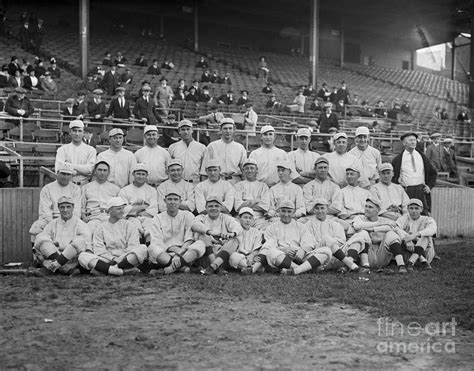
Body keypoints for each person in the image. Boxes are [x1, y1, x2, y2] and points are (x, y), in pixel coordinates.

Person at [78, 197, 148, 276]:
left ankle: (107, 269)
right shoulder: (101, 227)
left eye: (123, 208)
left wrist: (120, 258)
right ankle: (121, 272)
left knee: (143, 249)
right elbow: (99, 249)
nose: (122, 211)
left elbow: (133, 246)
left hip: (125, 257)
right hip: (107, 258)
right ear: (110, 211)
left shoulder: (130, 225)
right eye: (118, 209)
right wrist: (113, 258)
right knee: (83, 256)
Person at [259, 200, 331, 276]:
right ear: (279, 212)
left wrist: (302, 250)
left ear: (293, 213)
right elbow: (270, 245)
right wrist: (283, 250)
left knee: (326, 251)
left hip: (300, 256)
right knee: (271, 252)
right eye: (283, 211)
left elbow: (308, 242)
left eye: (289, 211)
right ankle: (302, 269)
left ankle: (296, 270)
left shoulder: (301, 226)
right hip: (282, 256)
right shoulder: (271, 227)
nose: (286, 214)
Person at [33, 196, 90, 277]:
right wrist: (43, 261)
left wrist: (73, 264)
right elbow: (41, 245)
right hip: (53, 256)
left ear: (73, 208)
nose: (65, 210)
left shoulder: (81, 224)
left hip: (72, 259)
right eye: (62, 207)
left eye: (68, 207)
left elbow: (86, 247)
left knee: (79, 242)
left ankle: (53, 269)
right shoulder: (52, 223)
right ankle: (65, 269)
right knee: (41, 238)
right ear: (58, 208)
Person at [349, 196, 407, 274]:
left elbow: (395, 229)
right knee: (363, 233)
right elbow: (357, 226)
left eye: (370, 207)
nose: (366, 209)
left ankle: (401, 265)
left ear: (378, 210)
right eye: (366, 206)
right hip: (366, 253)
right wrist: (378, 224)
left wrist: (374, 228)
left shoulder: (385, 220)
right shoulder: (360, 217)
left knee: (391, 234)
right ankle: (365, 266)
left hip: (382, 254)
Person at [147, 191, 201, 275]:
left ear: (180, 201)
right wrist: (171, 249)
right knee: (152, 248)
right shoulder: (157, 218)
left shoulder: (188, 215)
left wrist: (180, 253)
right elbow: (156, 241)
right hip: (165, 253)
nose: (172, 202)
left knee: (200, 244)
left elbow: (190, 238)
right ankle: (182, 267)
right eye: (169, 199)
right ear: (165, 201)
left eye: (175, 199)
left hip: (184, 252)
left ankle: (167, 270)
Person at [305, 198, 362, 274]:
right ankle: (349, 264)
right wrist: (326, 243)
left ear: (327, 210)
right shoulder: (308, 225)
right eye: (317, 208)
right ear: (314, 210)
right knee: (326, 239)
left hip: (337, 256)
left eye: (322, 208)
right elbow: (311, 244)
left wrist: (331, 244)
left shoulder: (336, 224)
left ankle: (346, 264)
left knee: (357, 240)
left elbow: (342, 241)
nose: (320, 211)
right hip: (321, 255)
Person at [29, 163, 82, 242]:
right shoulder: (47, 188)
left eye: (68, 174)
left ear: (71, 176)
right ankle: (36, 253)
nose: (65, 177)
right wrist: (54, 224)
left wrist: (67, 222)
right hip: (51, 219)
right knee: (35, 228)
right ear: (57, 173)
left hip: (70, 219)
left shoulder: (76, 189)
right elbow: (45, 211)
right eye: (63, 174)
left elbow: (77, 211)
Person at [192, 195, 243, 275]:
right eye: (210, 206)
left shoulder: (226, 218)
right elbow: (195, 225)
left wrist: (231, 234)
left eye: (217, 206)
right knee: (202, 235)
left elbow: (238, 227)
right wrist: (210, 232)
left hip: (222, 255)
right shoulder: (201, 217)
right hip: (207, 255)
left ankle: (212, 267)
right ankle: (216, 267)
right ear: (205, 207)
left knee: (235, 239)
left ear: (221, 207)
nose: (213, 208)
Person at [391, 132, 437, 214]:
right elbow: (392, 176)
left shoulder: (422, 156)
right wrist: (398, 186)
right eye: (410, 140)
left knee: (423, 216)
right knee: (406, 215)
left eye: (414, 140)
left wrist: (429, 186)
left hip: (421, 191)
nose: (413, 142)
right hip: (406, 191)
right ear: (404, 143)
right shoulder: (398, 159)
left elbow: (433, 172)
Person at [200, 118, 247, 185]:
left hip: (235, 181)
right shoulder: (212, 146)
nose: (228, 131)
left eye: (230, 128)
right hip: (217, 181)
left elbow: (244, 170)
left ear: (234, 130)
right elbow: (204, 170)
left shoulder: (240, 148)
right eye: (225, 128)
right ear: (220, 130)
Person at [119, 163, 158, 242]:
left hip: (148, 217)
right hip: (131, 218)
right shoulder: (124, 190)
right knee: (134, 226)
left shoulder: (152, 190)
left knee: (150, 226)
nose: (140, 176)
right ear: (133, 174)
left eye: (143, 174)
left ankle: (149, 245)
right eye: (138, 174)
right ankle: (137, 244)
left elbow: (154, 210)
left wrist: (133, 209)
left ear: (147, 175)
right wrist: (142, 208)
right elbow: (123, 210)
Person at [396, 198, 437, 271]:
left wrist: (415, 235)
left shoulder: (427, 219)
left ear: (421, 209)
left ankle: (414, 260)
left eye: (416, 208)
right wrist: (408, 240)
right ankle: (412, 262)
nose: (414, 211)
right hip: (408, 251)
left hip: (425, 252)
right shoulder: (404, 218)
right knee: (397, 235)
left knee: (425, 236)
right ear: (408, 209)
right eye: (411, 208)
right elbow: (396, 228)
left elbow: (432, 229)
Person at [81, 160, 120, 234]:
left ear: (108, 172)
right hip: (92, 218)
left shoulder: (115, 189)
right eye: (100, 170)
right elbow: (82, 206)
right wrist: (85, 218)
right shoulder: (86, 187)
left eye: (105, 170)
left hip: (109, 217)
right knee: (88, 234)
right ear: (95, 171)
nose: (102, 173)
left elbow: (119, 208)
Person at [55, 120, 96, 186]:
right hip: (67, 185)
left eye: (79, 131)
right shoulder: (62, 149)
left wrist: (69, 165)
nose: (77, 134)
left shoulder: (91, 150)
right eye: (74, 131)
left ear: (83, 133)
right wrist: (82, 171)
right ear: (70, 132)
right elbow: (59, 169)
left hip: (84, 185)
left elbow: (89, 170)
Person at [234, 158, 270, 230]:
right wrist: (254, 201)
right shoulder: (238, 186)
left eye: (252, 168)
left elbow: (265, 206)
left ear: (256, 170)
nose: (249, 170)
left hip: (258, 218)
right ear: (243, 171)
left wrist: (245, 202)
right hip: (242, 217)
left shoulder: (263, 186)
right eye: (247, 168)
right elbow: (237, 207)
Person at [168, 119, 206, 184]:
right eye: (183, 129)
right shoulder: (173, 147)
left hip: (195, 183)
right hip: (178, 183)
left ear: (192, 130)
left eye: (188, 129)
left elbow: (203, 170)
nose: (186, 132)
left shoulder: (201, 147)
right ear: (179, 131)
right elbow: (169, 167)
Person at [338, 165, 371, 232]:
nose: (349, 176)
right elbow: (340, 208)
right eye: (347, 174)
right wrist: (349, 216)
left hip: (365, 219)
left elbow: (371, 207)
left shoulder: (366, 193)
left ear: (358, 176)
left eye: (352, 174)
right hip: (349, 220)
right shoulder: (341, 192)